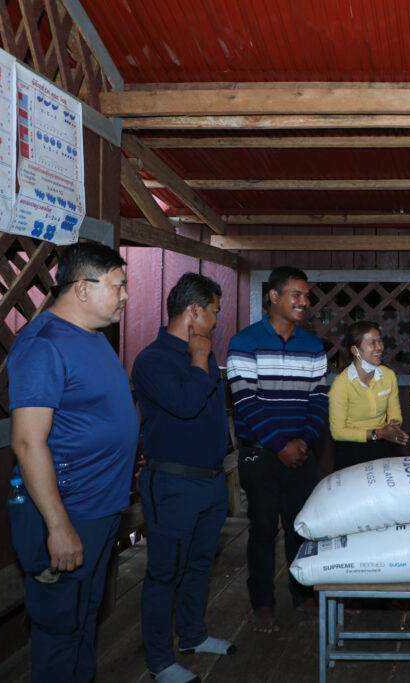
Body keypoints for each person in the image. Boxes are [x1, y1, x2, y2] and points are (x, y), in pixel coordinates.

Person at [7, 243, 138, 682]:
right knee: (60, 632)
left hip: (99, 510)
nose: (125, 295)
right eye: (118, 285)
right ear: (82, 288)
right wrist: (59, 526)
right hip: (66, 512)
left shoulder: (94, 337)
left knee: (84, 620)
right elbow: (27, 443)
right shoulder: (44, 345)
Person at [131, 273, 236, 683]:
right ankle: (159, 662)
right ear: (194, 310)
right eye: (214, 311)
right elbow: (186, 404)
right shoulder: (153, 360)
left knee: (199, 564)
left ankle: (193, 635)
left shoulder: (202, 354)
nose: (216, 320)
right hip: (173, 484)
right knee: (164, 574)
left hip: (210, 481)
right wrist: (199, 357)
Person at [226, 266, 328, 632]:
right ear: (274, 296)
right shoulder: (244, 342)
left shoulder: (312, 346)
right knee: (263, 529)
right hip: (260, 454)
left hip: (301, 453)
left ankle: (302, 594)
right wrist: (279, 445)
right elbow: (245, 401)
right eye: (296, 294)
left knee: (302, 528)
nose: (304, 301)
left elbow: (319, 399)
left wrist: (303, 442)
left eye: (306, 295)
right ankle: (263, 603)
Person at [327, 320, 409, 470]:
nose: (379, 347)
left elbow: (395, 412)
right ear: (355, 350)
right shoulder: (341, 384)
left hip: (382, 447)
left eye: (380, 341)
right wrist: (378, 434)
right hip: (350, 451)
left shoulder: (388, 376)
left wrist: (394, 427)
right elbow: (337, 432)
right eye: (372, 343)